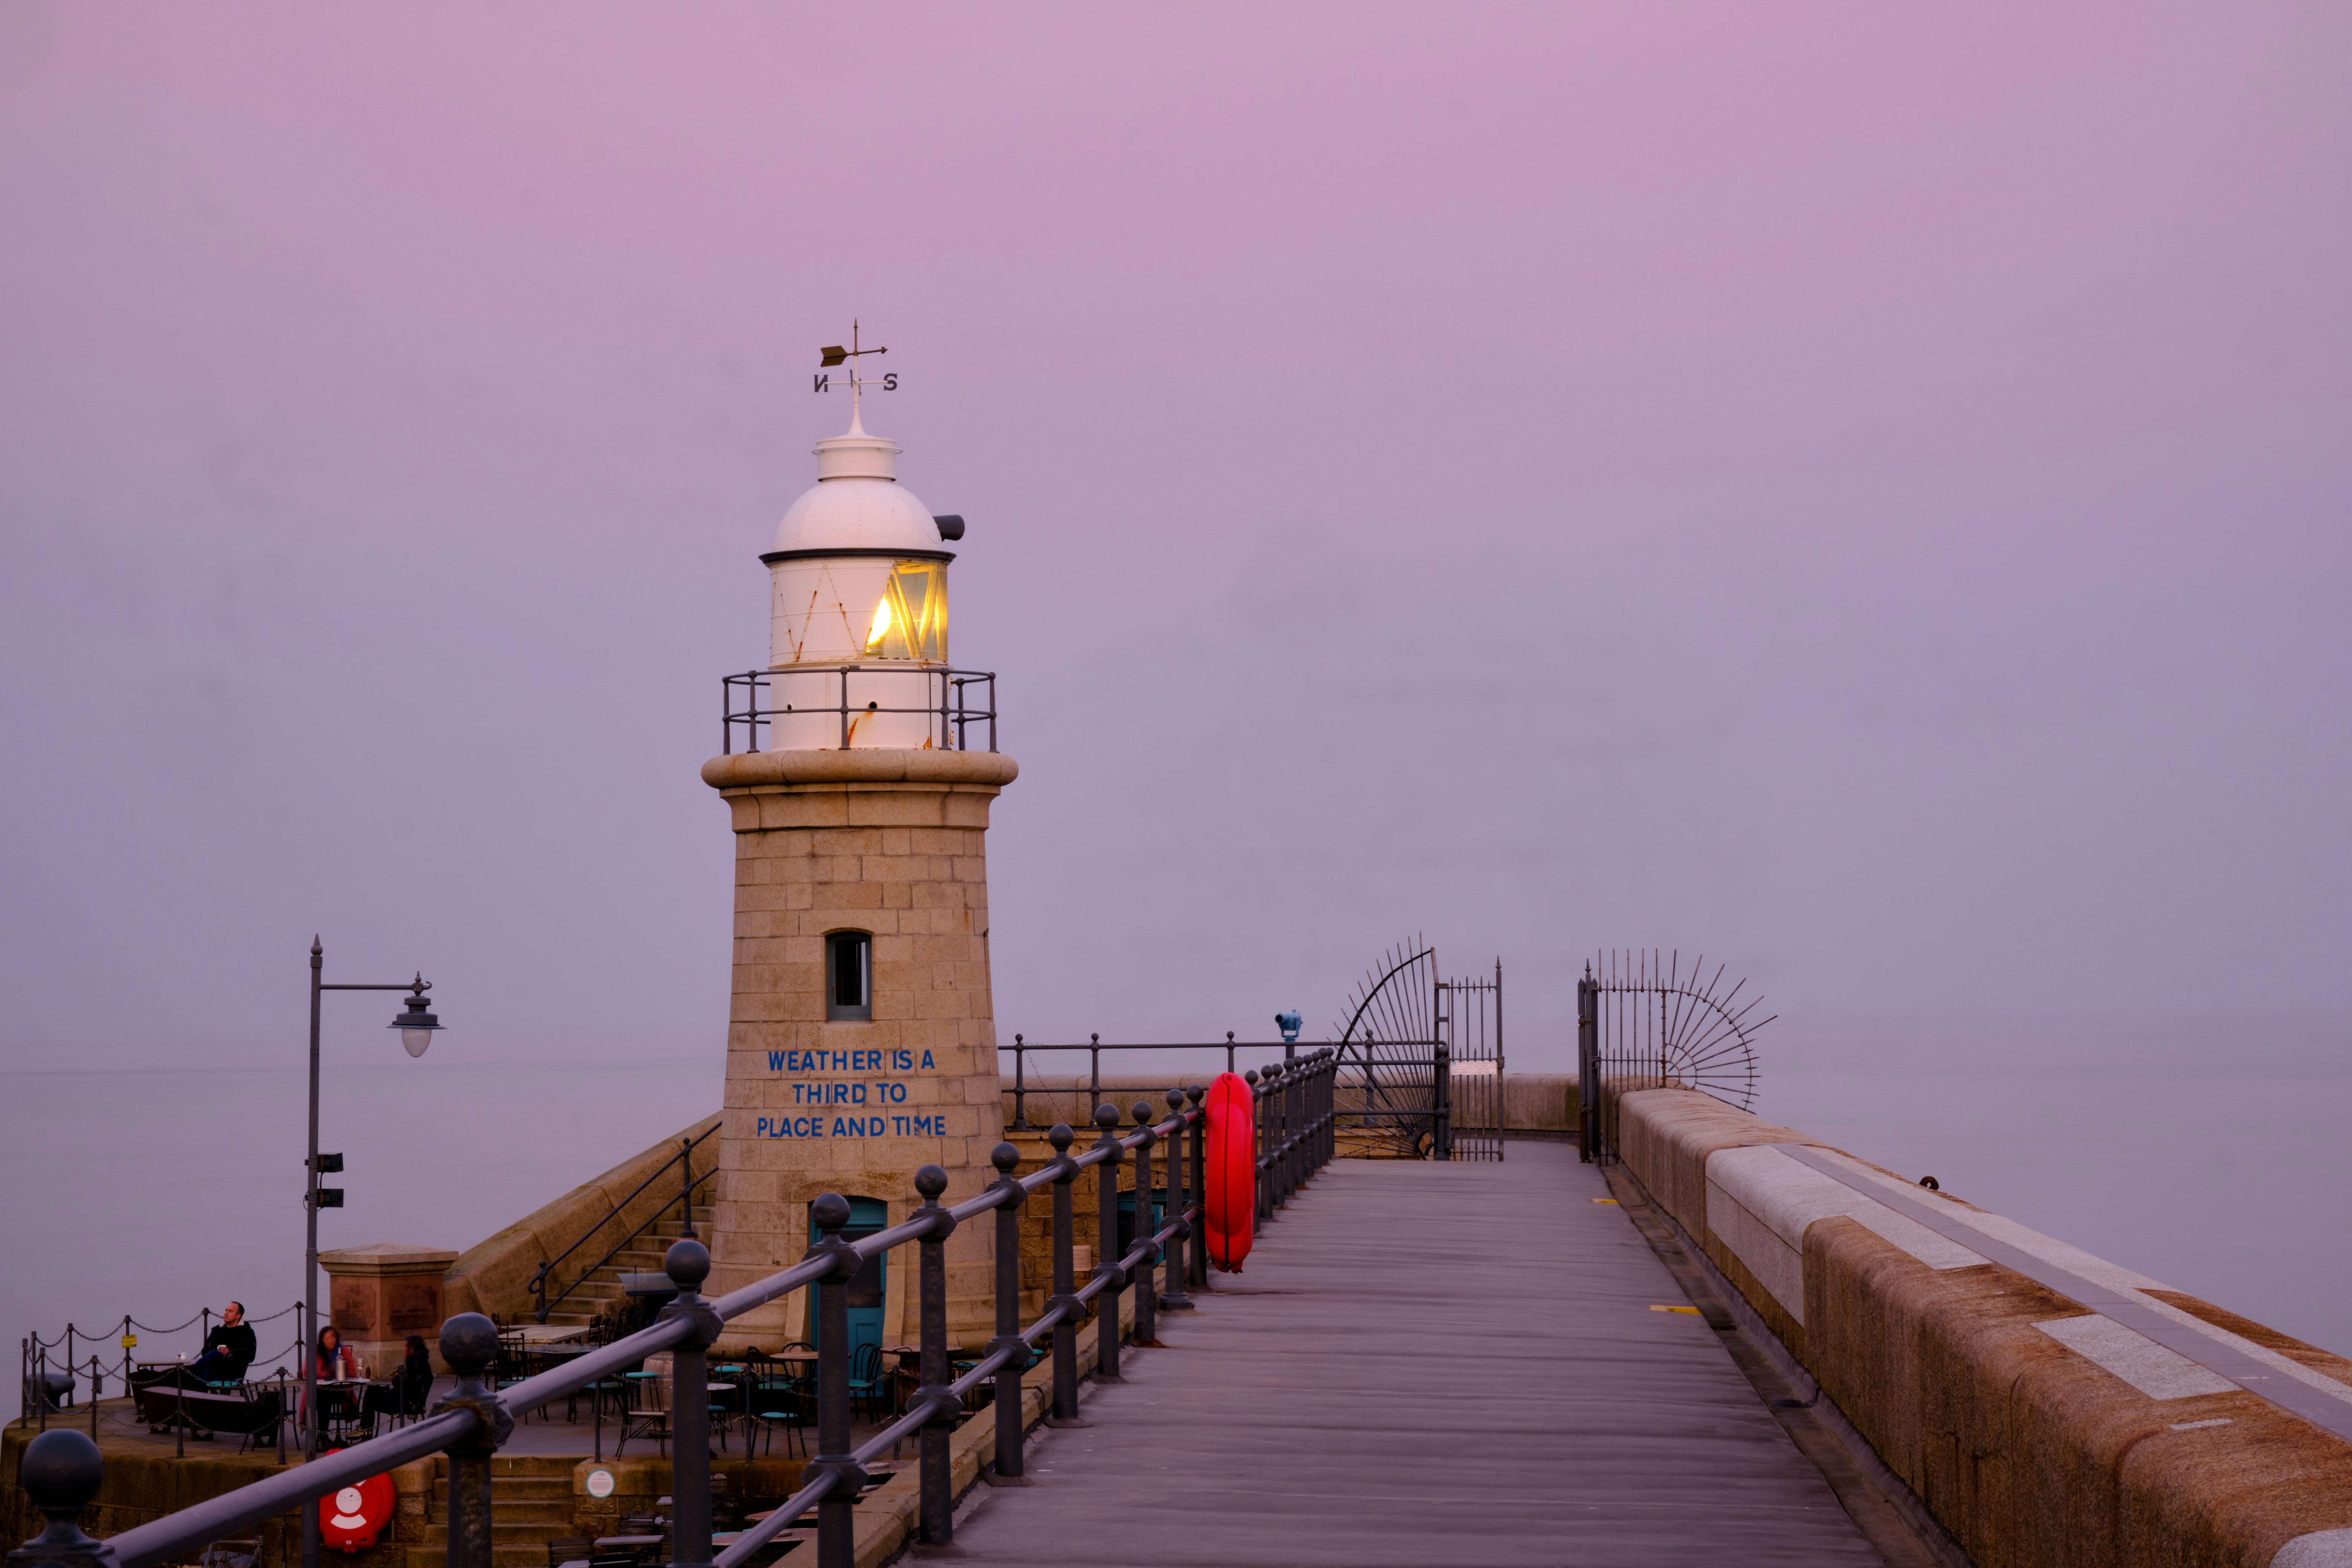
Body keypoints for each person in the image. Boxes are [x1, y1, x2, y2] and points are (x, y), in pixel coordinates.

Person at [185, 1302, 256, 1384]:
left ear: (238, 1316)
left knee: (215, 1353)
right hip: (216, 1369)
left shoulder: (246, 1332)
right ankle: (198, 1396)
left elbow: (251, 1357)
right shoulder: (218, 1330)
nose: (226, 1313)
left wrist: (230, 1355)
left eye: (230, 1311)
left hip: (233, 1371)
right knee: (205, 1373)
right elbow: (204, 1352)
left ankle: (187, 1376)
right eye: (226, 1310)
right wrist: (212, 1350)